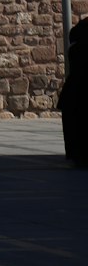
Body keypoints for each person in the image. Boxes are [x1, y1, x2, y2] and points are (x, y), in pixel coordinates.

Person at [59, 18, 88, 166]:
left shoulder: (75, 49)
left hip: (74, 93)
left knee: (75, 126)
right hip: (79, 93)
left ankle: (77, 155)